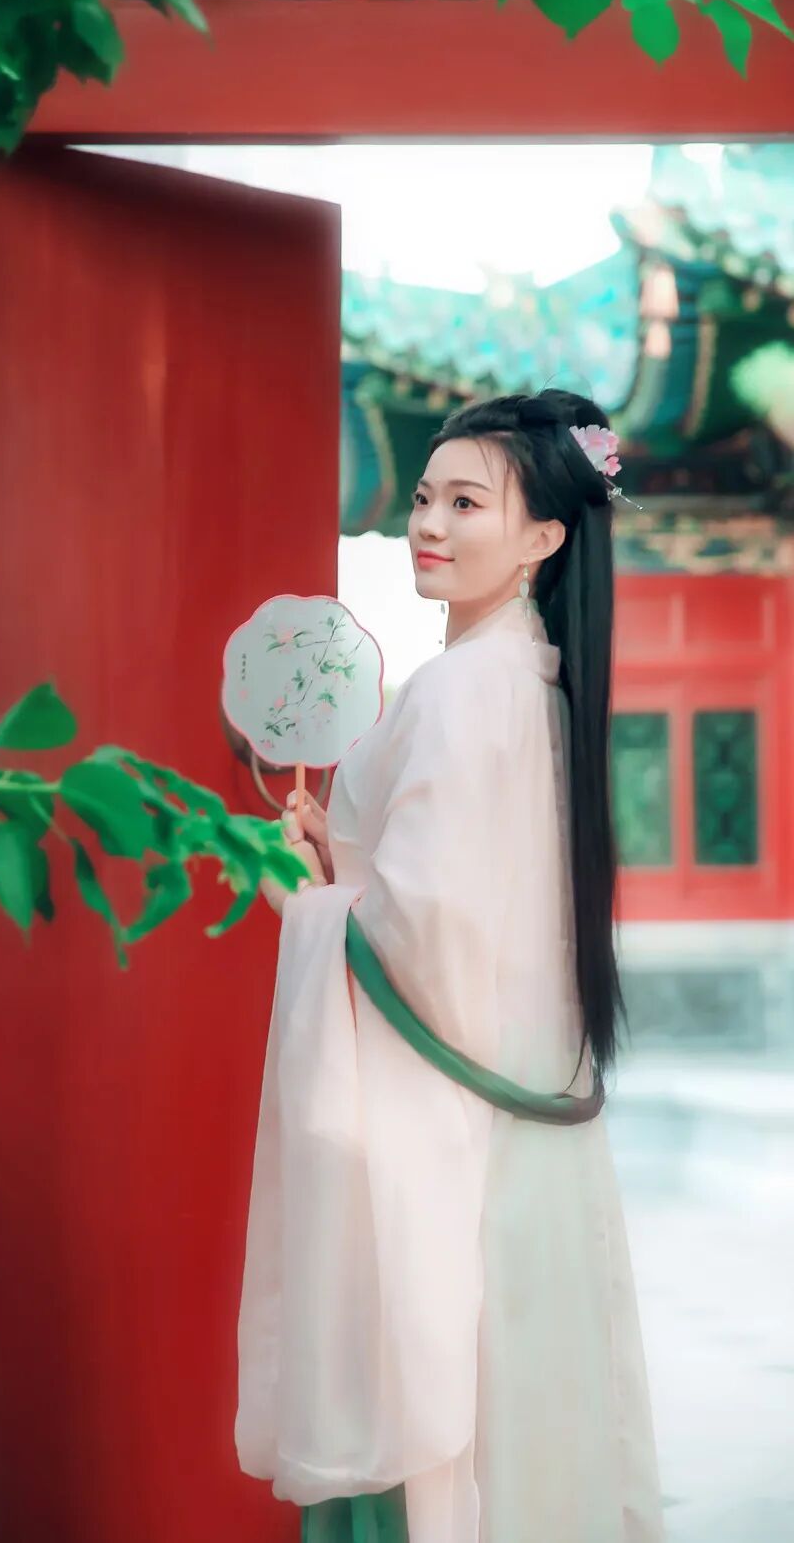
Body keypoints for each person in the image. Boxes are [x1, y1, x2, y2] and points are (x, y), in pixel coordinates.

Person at [235, 391, 664, 1543]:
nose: (428, 523)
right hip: (523, 1133)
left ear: (543, 536)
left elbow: (419, 943)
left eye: (466, 503)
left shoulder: (460, 690)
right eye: (425, 498)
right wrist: (344, 855)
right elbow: (467, 905)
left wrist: (303, 902)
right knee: (527, 1447)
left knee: (444, 1455)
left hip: (448, 1145)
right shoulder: (528, 680)